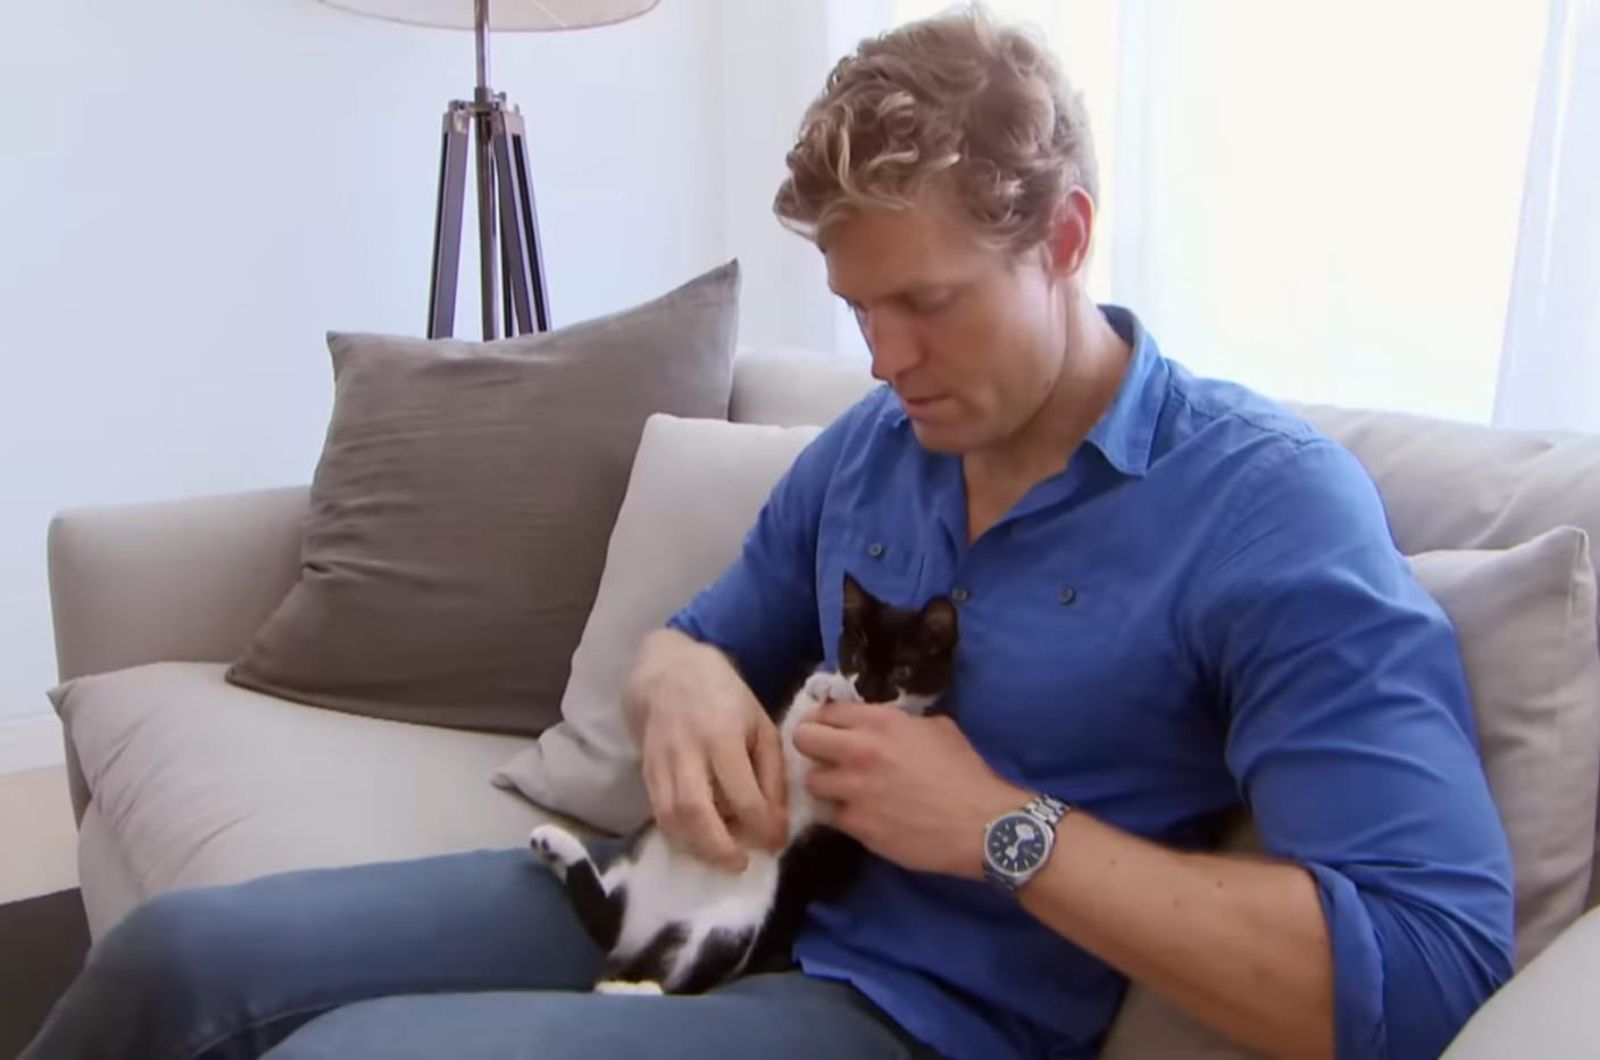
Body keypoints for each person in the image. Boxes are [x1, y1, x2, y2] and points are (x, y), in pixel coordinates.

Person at [23, 7, 1513, 1059]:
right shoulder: (879, 448)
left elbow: (1429, 972)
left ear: (1064, 239)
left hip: (911, 1015)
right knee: (179, 955)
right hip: (699, 891)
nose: (883, 360)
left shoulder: (1265, 510)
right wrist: (676, 690)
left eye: (927, 302)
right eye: (859, 310)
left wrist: (1001, 826)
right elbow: (701, 644)